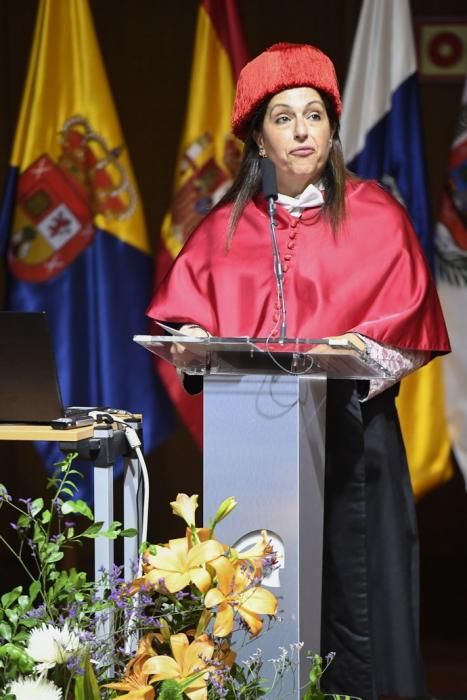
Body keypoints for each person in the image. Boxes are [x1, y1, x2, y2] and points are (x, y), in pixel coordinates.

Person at [147, 43, 450, 700]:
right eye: (283, 118)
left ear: (332, 129)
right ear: (257, 137)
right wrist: (196, 337)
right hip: (254, 452)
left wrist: (357, 357)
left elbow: (412, 337)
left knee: (361, 609)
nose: (302, 129)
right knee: (262, 610)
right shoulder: (223, 231)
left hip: (356, 445)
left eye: (313, 114)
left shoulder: (375, 215)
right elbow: (184, 328)